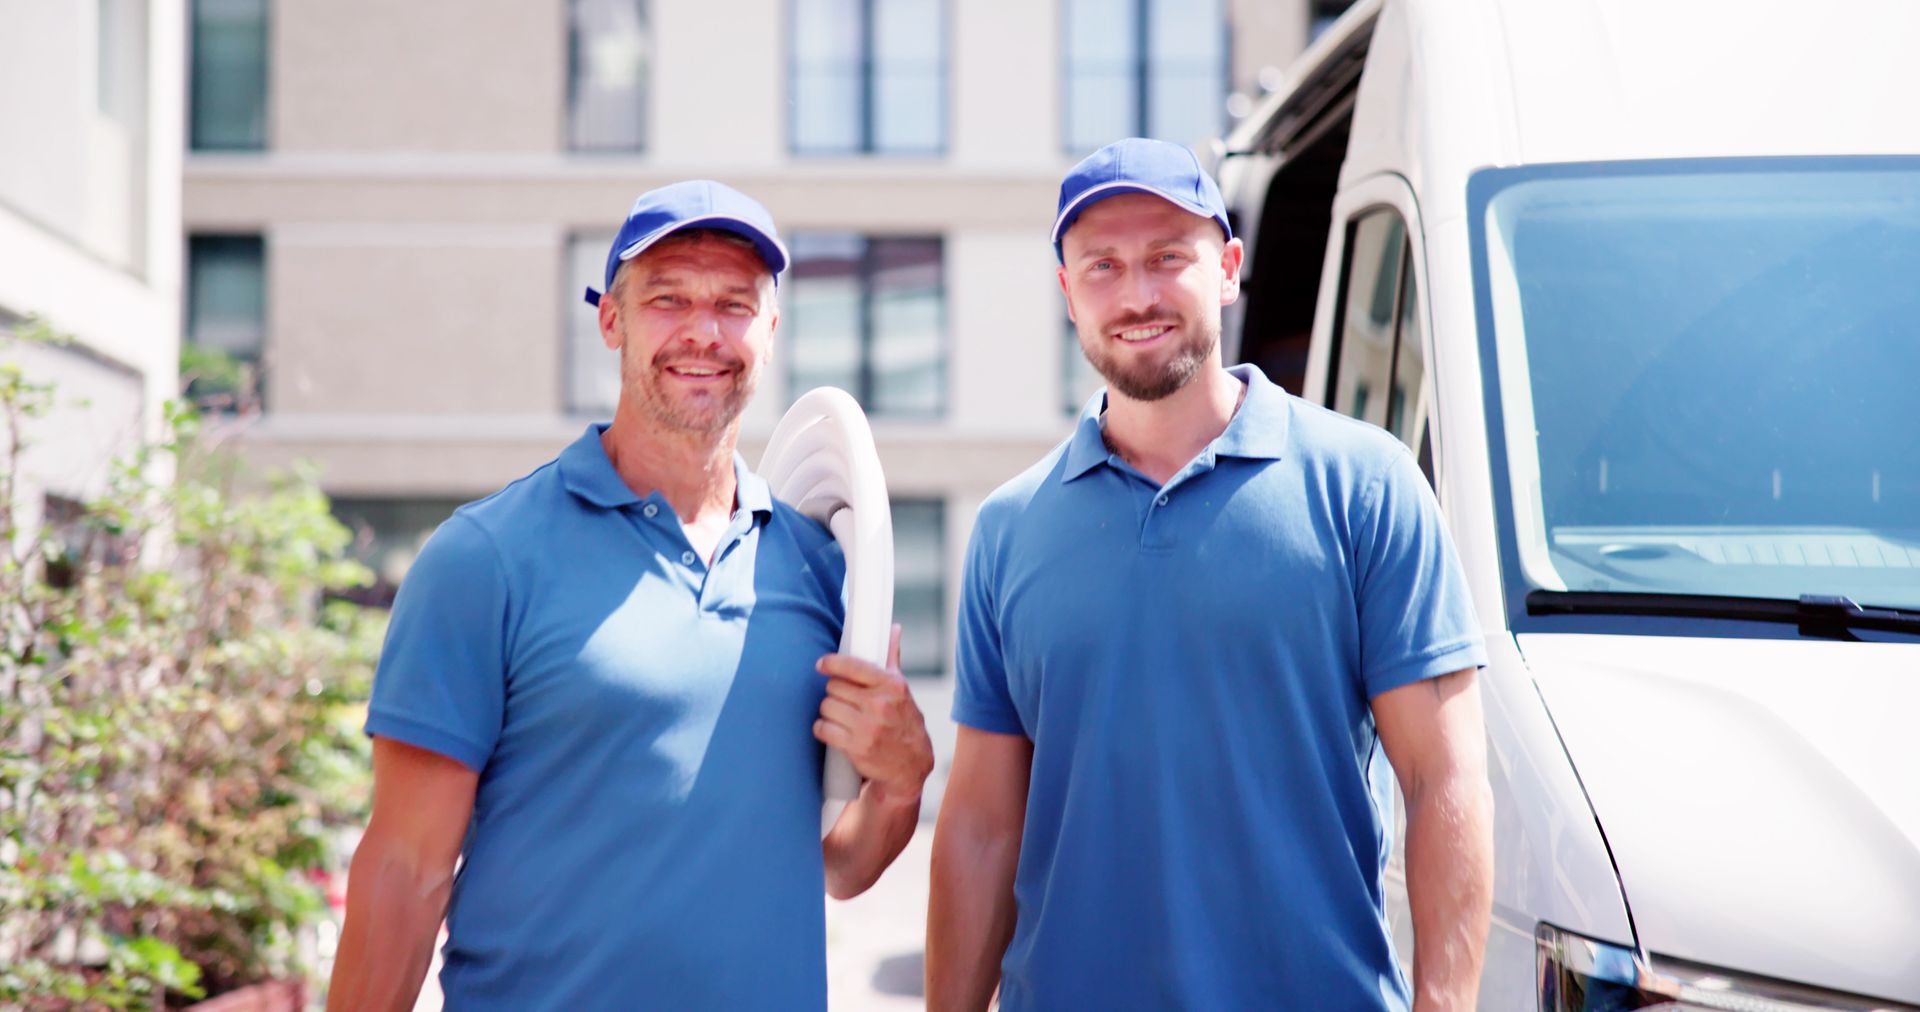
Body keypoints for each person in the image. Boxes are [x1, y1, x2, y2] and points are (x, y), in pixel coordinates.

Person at [327, 180, 934, 1011]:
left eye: (733, 304)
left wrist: (901, 783)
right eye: (668, 299)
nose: (702, 331)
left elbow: (841, 864)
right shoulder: (486, 560)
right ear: (611, 320)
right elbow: (404, 870)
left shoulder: (816, 568)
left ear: (771, 328)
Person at [926, 138, 1494, 1011]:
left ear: (1228, 269)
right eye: (1103, 266)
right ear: (1067, 290)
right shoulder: (1010, 529)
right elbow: (978, 827)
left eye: (1167, 258)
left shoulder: (1365, 486)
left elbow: (1444, 780)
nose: (1137, 294)